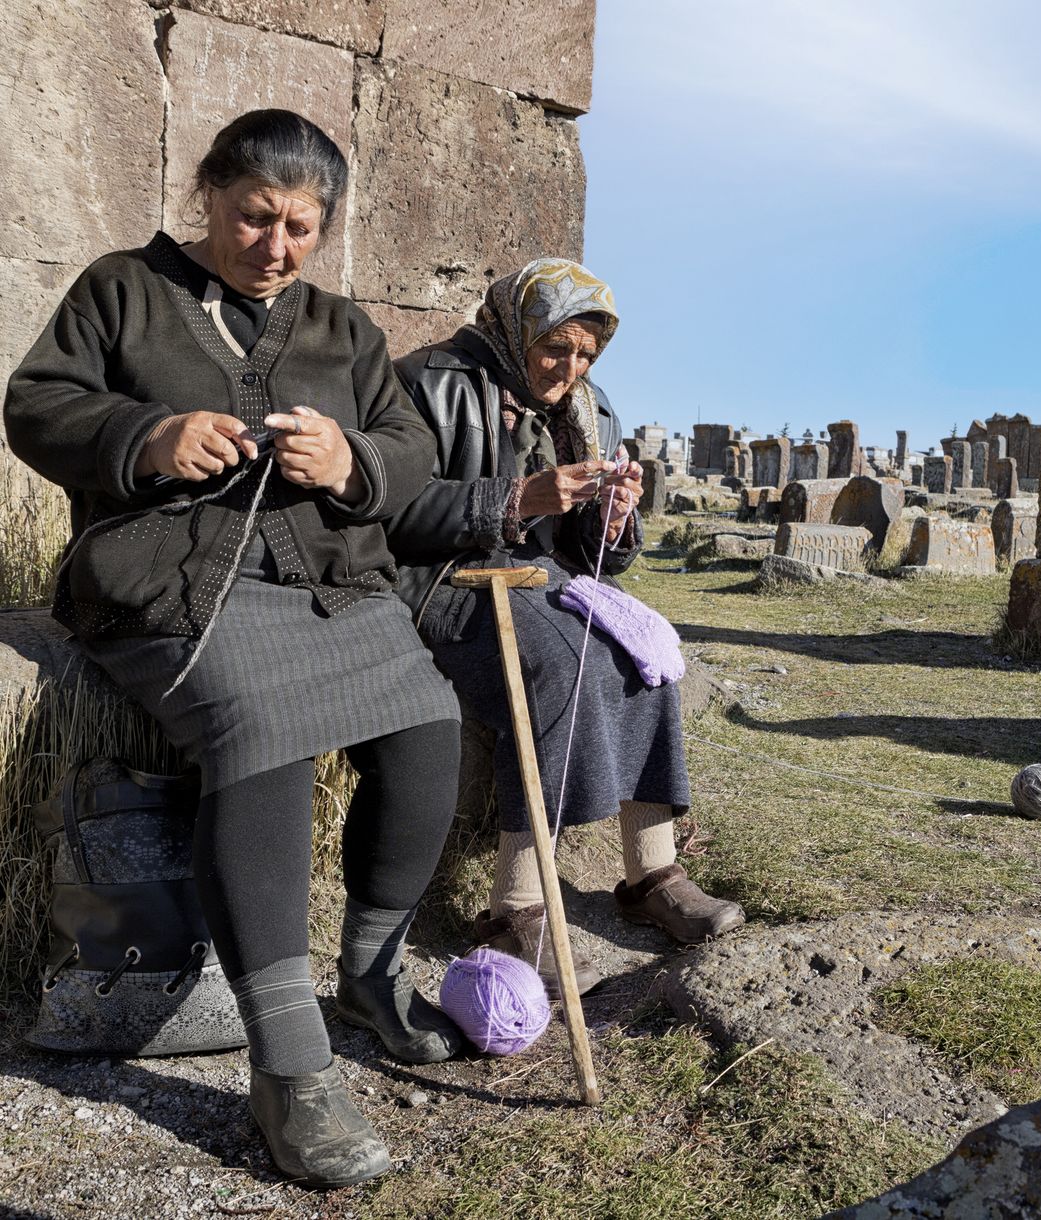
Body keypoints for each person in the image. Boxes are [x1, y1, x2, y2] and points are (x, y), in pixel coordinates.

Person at [4, 109, 464, 1189]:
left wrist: (348, 455)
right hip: (174, 586)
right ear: (209, 193)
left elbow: (411, 451)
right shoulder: (122, 289)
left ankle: (371, 972)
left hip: (329, 587)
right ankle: (291, 1068)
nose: (276, 245)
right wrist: (145, 437)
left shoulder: (344, 332)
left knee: (428, 722)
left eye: (302, 227)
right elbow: (35, 405)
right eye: (255, 215)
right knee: (261, 728)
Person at [388, 258, 744, 994]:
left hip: (545, 580)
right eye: (556, 346)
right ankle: (515, 909)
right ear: (519, 328)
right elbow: (393, 513)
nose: (569, 366)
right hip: (448, 578)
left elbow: (596, 558)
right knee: (558, 662)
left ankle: (652, 873)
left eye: (586, 353)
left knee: (647, 652)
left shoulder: (591, 407)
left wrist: (612, 518)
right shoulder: (430, 383)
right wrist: (517, 499)